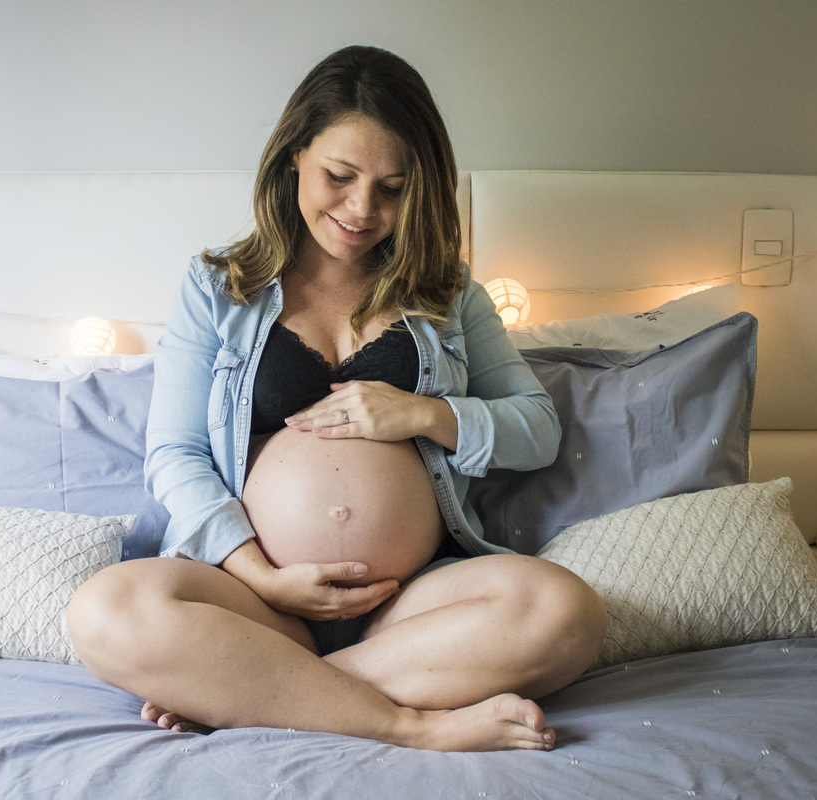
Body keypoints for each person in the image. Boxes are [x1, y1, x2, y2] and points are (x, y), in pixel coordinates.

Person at [68, 45, 607, 753]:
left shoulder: (449, 294)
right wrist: (265, 578)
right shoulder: (217, 289)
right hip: (257, 602)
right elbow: (175, 453)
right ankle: (410, 723)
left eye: (392, 188)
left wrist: (424, 414)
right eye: (340, 177)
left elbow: (536, 429)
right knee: (104, 609)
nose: (362, 210)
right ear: (295, 154)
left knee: (566, 609)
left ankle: (252, 690)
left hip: (409, 607)